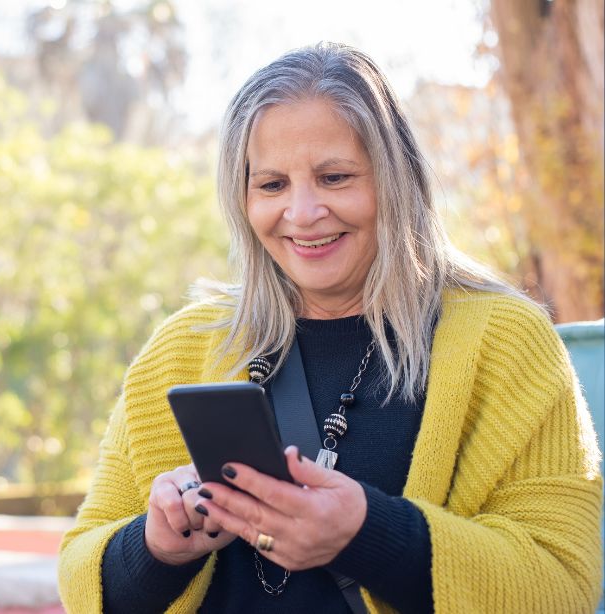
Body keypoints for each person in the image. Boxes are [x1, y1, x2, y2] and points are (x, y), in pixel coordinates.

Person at [57, 42, 602, 613]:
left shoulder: (504, 341)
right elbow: (80, 573)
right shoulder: (185, 347)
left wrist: (366, 534)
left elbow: (561, 584)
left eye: (335, 177)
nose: (303, 212)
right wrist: (156, 548)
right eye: (271, 185)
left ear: (398, 180)